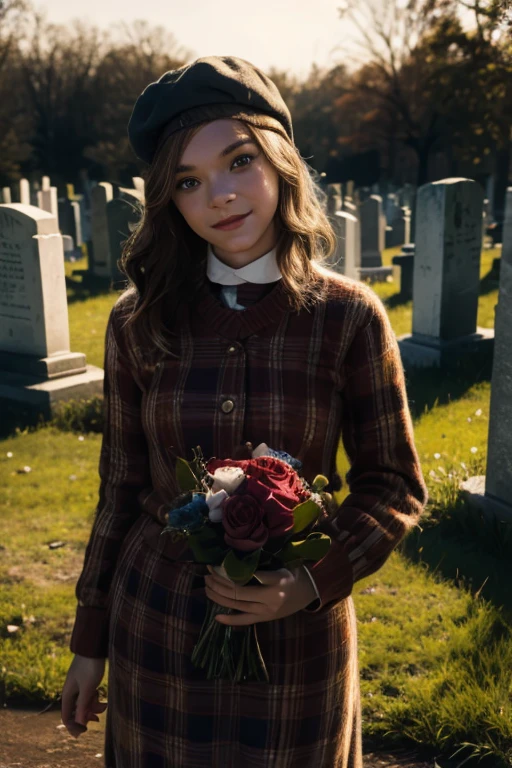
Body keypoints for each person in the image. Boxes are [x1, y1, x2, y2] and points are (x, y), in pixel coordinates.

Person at [60, 55, 428, 767]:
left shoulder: (349, 317)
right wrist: (89, 641)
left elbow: (394, 485)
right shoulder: (137, 323)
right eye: (188, 182)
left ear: (280, 162)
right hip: (158, 630)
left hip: (300, 646)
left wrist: (311, 581)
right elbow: (120, 491)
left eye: (238, 161)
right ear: (169, 200)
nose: (219, 196)